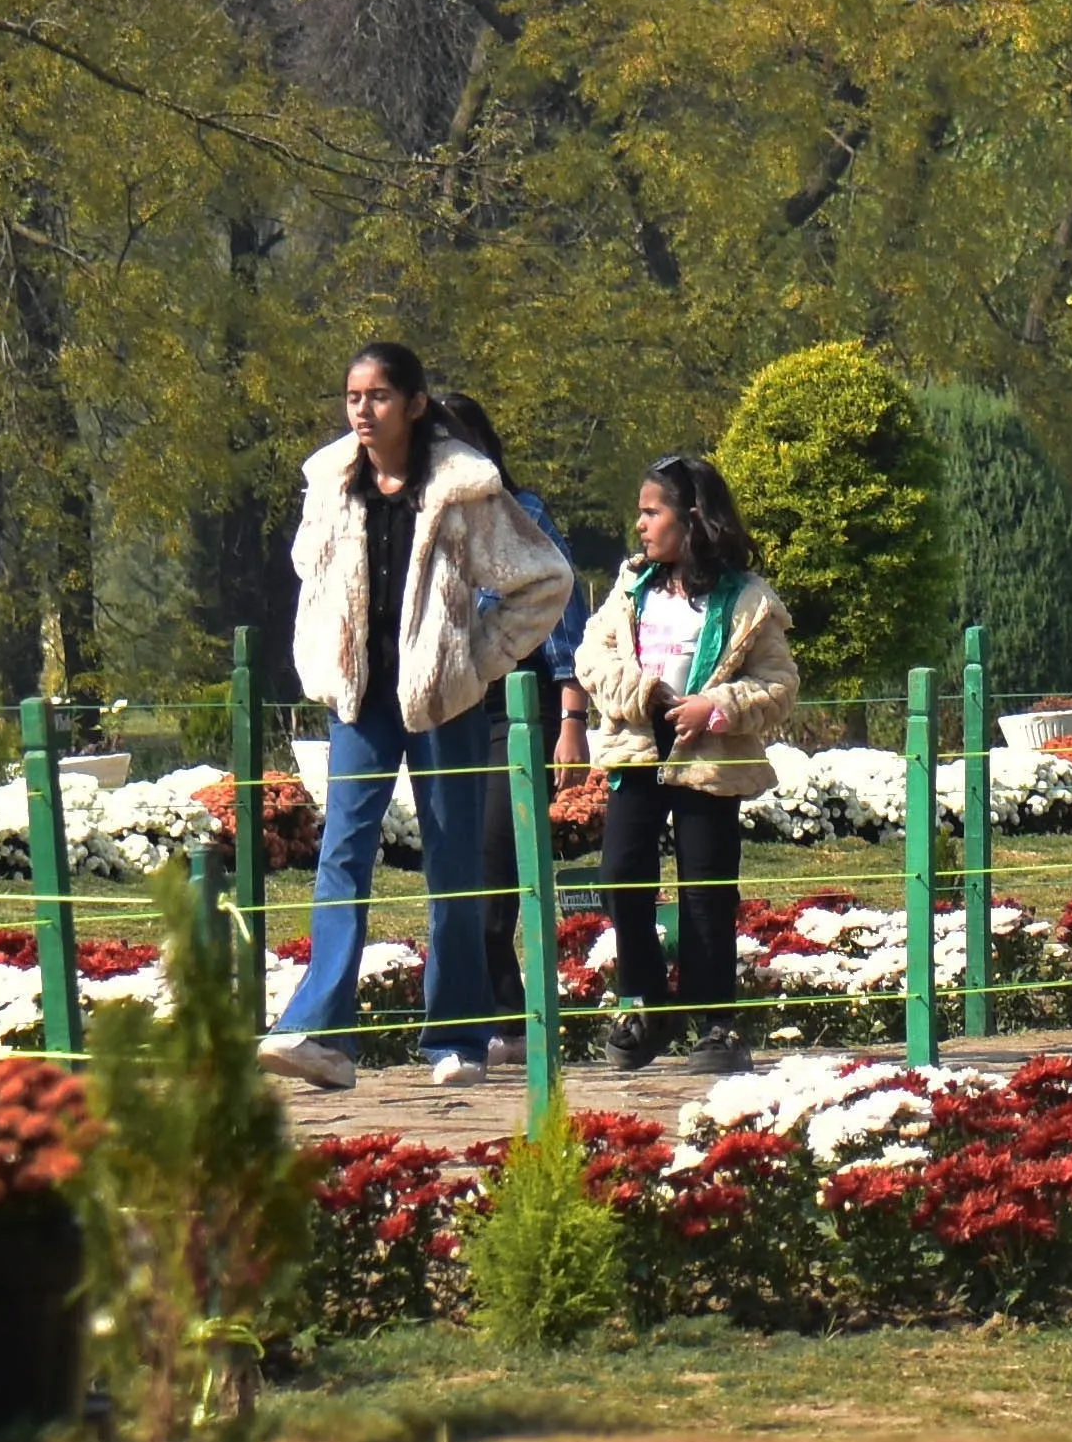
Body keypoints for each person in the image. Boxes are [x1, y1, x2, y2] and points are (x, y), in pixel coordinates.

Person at [281, 343, 575, 1084]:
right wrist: (323, 655)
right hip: (359, 699)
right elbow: (306, 571)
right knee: (342, 857)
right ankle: (322, 1034)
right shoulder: (330, 482)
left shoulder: (464, 486)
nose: (362, 410)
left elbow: (543, 581)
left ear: (414, 403)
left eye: (378, 395)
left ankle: (458, 1039)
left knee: (454, 863)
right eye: (352, 396)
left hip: (443, 698)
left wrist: (476, 659)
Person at [564, 452, 797, 1059]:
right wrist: (641, 693)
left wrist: (715, 706)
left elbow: (778, 683)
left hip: (708, 757)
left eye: (651, 512)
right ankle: (643, 1004)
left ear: (691, 518)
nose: (640, 525)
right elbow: (591, 659)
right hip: (638, 751)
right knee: (620, 877)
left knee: (706, 890)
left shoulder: (746, 599)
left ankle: (714, 1022)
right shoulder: (630, 587)